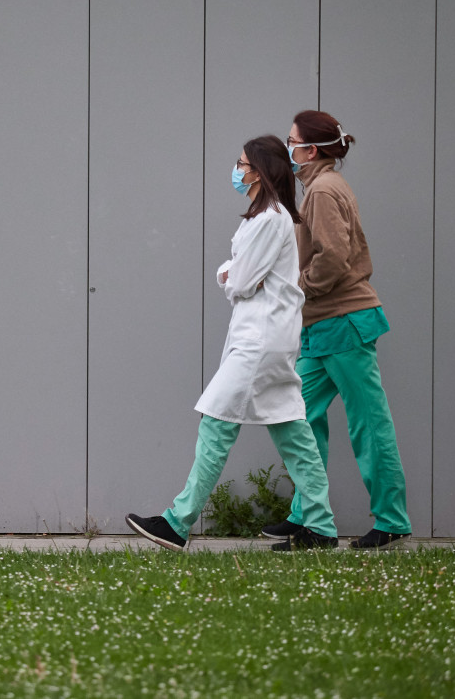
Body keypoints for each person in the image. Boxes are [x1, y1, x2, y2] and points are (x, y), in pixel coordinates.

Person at [126, 136, 339, 552]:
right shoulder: (269, 218)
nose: (237, 171)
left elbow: (240, 281)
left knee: (216, 424)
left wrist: (227, 272)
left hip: (259, 343)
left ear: (259, 171)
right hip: (270, 339)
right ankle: (321, 525)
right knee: (294, 434)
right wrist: (235, 273)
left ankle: (177, 522)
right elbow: (243, 277)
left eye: (242, 164)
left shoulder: (268, 220)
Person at [261, 110, 412, 550]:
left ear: (311, 150)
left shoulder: (324, 191)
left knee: (369, 424)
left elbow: (332, 256)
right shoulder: (320, 187)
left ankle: (392, 521)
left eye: (292, 141)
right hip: (323, 324)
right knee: (299, 418)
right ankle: (308, 517)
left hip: (343, 321)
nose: (287, 147)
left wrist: (297, 291)